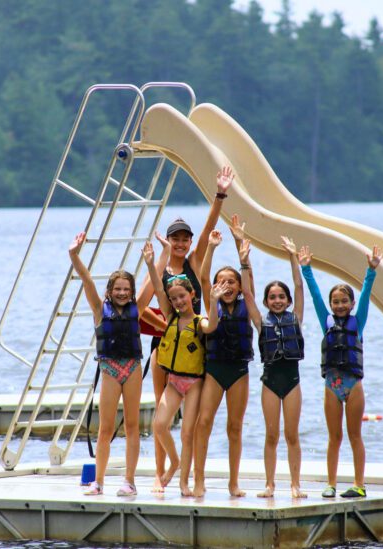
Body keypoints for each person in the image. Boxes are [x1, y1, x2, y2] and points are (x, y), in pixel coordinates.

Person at [138, 165, 235, 492]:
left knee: (190, 422)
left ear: (190, 242)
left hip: (197, 348)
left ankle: (188, 477)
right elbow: (139, 308)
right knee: (160, 416)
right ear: (169, 241)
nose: (179, 243)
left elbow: (209, 230)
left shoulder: (194, 264)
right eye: (175, 239)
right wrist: (164, 326)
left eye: (184, 239)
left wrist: (220, 195)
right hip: (163, 352)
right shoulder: (162, 268)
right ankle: (158, 473)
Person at [68, 233, 158, 497]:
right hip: (109, 369)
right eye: (117, 289)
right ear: (109, 291)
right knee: (106, 428)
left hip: (132, 368)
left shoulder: (138, 307)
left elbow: (153, 287)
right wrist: (74, 255)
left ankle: (129, 481)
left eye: (126, 290)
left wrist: (153, 262)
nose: (121, 293)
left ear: (131, 293)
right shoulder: (99, 308)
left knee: (132, 426)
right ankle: (98, 482)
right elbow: (86, 280)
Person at [299, 244, 383, 498]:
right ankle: (331, 484)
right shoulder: (325, 321)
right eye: (335, 302)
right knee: (334, 437)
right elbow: (314, 295)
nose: (339, 305)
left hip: (353, 385)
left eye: (344, 301)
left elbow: (367, 294)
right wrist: (306, 269)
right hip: (331, 386)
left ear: (351, 302)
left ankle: (359, 484)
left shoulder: (358, 322)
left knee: (355, 435)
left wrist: (371, 271)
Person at [148, 233, 225, 496]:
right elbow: (158, 288)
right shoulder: (169, 317)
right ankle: (176, 461)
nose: (179, 301)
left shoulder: (199, 321)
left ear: (192, 295)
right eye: (175, 298)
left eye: (183, 296)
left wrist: (213, 301)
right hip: (174, 381)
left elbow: (212, 325)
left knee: (187, 433)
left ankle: (183, 482)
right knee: (159, 425)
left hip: (193, 383)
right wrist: (151, 263)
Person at [241, 235, 307, 499]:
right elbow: (246, 294)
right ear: (266, 302)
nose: (277, 300)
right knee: (271, 435)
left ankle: (295, 484)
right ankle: (270, 484)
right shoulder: (260, 321)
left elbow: (299, 287)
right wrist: (244, 261)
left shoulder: (297, 318)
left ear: (288, 301)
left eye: (282, 297)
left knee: (292, 435)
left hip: (292, 383)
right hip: (270, 383)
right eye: (272, 297)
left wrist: (293, 256)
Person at [192, 229, 253, 497]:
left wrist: (242, 250)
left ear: (239, 287)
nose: (226, 286)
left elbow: (248, 277)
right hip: (215, 370)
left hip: (239, 369)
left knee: (235, 427)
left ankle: (233, 482)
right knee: (204, 422)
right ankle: (199, 480)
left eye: (232, 282)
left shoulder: (247, 304)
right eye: (221, 282)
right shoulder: (211, 303)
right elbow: (203, 277)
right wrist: (212, 247)